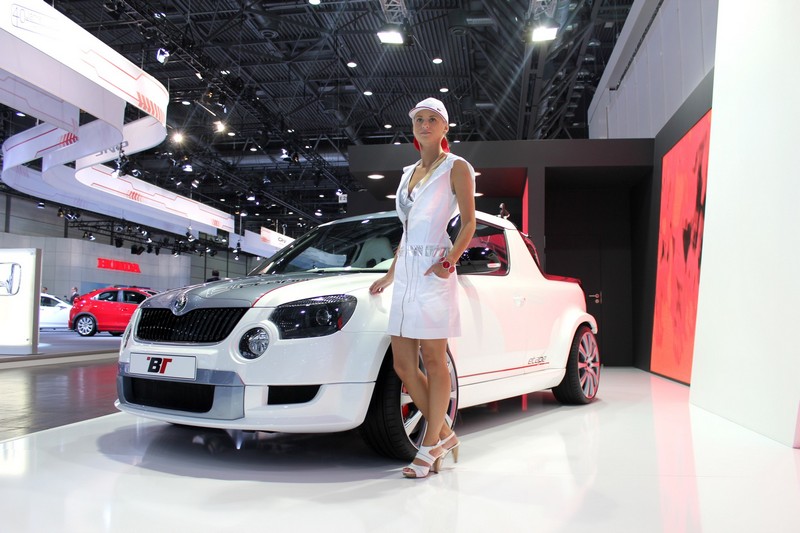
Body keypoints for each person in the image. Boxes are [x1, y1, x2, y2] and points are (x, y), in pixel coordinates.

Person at [369, 97, 476, 478]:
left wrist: (450, 262)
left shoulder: (456, 167)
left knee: (433, 359)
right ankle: (444, 433)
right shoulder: (407, 174)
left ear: (445, 127)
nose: (425, 125)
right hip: (407, 273)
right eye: (419, 120)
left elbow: (469, 222)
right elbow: (406, 230)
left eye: (432, 119)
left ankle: (430, 445)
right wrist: (390, 273)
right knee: (403, 364)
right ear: (413, 127)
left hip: (434, 270)